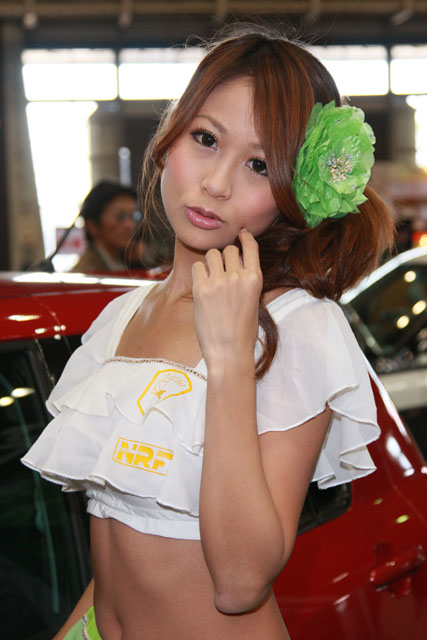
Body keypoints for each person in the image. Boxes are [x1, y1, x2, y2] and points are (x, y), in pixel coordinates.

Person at [22, 24, 394, 640]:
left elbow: (241, 582)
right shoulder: (123, 316)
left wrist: (228, 361)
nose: (218, 183)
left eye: (258, 165)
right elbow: (123, 546)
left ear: (293, 193)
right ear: (169, 136)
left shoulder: (298, 326)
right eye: (206, 138)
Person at [71, 180, 143, 272]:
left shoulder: (121, 262)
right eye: (120, 217)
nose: (130, 225)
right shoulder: (87, 272)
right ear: (92, 226)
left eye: (134, 216)